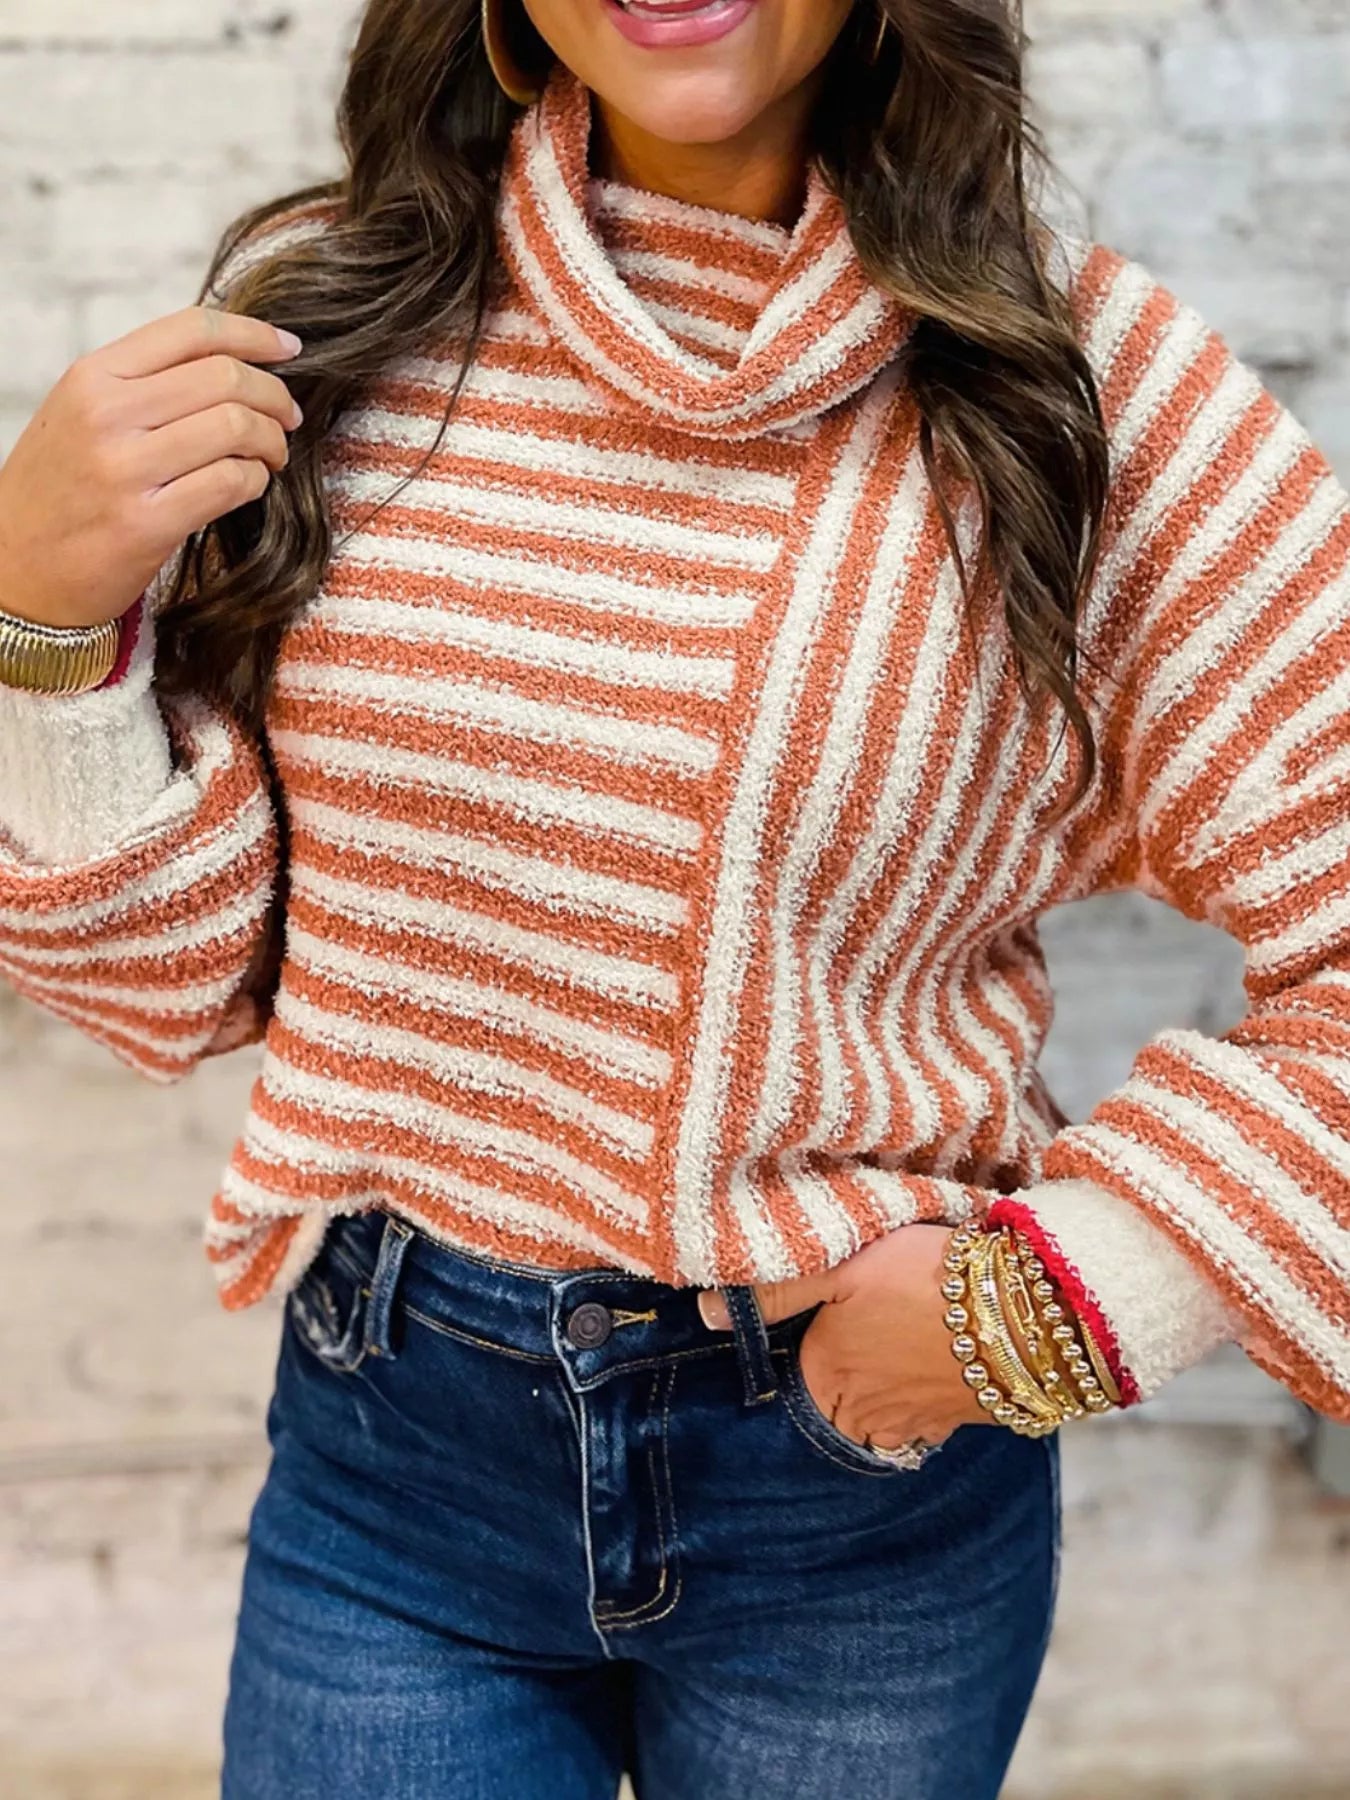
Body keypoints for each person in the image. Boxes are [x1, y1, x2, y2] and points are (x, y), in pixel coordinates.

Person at [0, 1, 1346, 1794]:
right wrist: (40, 626)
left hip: (851, 1496)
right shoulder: (343, 330)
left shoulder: (1088, 395)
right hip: (399, 1469)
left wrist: (1063, 1300)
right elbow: (170, 988)